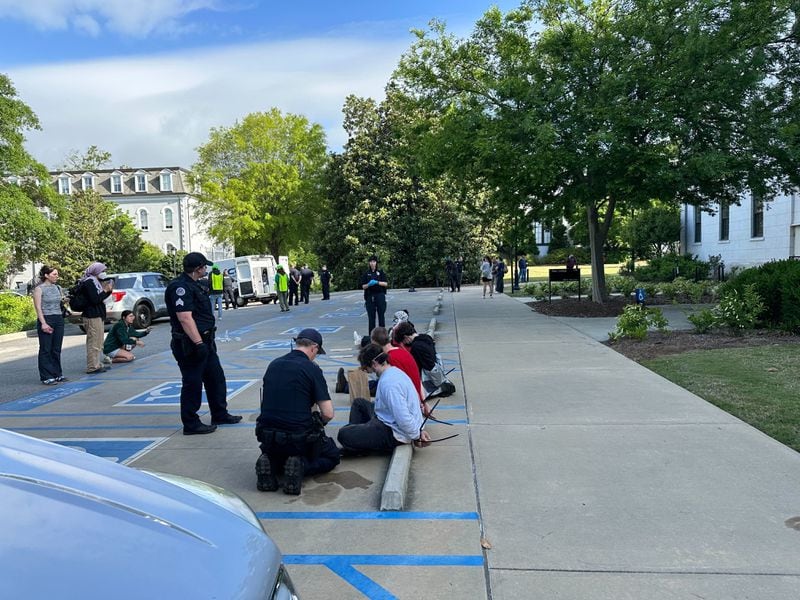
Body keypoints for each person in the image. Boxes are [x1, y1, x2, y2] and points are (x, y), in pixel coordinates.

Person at [255, 328, 340, 495]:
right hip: (297, 438)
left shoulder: (273, 364)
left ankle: (272, 463)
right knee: (332, 455)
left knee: (281, 452)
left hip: (267, 436)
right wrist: (319, 423)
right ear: (314, 348)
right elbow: (328, 413)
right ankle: (301, 466)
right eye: (317, 352)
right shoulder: (311, 368)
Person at [165, 252, 242, 435]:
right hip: (191, 344)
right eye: (203, 266)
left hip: (206, 341)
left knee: (216, 378)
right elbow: (185, 318)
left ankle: (220, 413)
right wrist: (198, 343)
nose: (206, 269)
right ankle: (191, 423)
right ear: (197, 268)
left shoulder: (195, 285)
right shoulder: (180, 287)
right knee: (192, 382)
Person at [337, 343, 431, 454]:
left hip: (392, 431)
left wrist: (417, 435)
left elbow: (403, 417)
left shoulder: (390, 384)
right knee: (359, 403)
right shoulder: (394, 371)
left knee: (343, 434)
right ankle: (359, 438)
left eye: (366, 369)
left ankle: (359, 443)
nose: (367, 373)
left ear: (374, 363)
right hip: (384, 417)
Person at [32, 265, 66, 385]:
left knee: (56, 349)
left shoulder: (57, 287)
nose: (57, 276)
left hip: (58, 318)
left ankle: (57, 373)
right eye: (54, 274)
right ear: (46, 275)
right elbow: (38, 307)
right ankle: (46, 376)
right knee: (46, 349)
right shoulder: (39, 289)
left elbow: (60, 303)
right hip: (46, 318)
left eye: (57, 274)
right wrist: (43, 323)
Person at [79, 262, 114, 374]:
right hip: (91, 316)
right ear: (95, 271)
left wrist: (109, 291)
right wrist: (105, 291)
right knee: (93, 342)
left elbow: (101, 298)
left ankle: (97, 364)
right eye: (102, 271)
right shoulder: (89, 282)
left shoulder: (96, 282)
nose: (104, 273)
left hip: (98, 315)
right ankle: (92, 367)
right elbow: (95, 299)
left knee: (98, 342)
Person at [361, 254, 388, 333]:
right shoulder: (366, 273)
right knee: (371, 318)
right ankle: (371, 336)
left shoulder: (380, 272)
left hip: (380, 295)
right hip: (370, 296)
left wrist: (377, 282)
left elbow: (385, 284)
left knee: (381, 316)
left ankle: (382, 335)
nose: (372, 263)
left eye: (374, 261)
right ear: (369, 263)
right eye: (371, 262)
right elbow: (363, 286)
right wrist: (369, 284)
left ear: (376, 263)